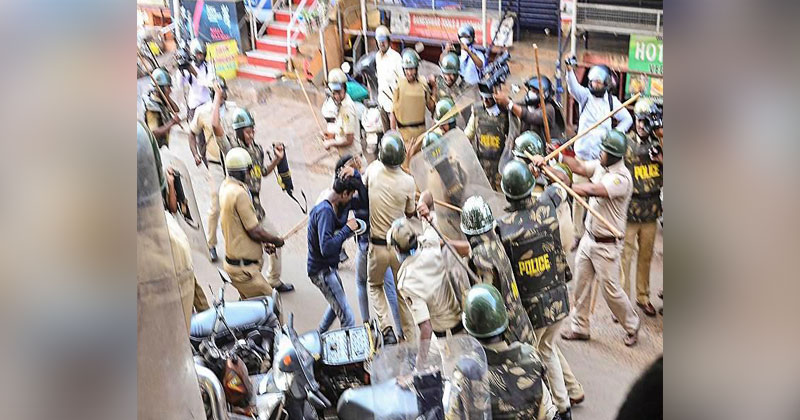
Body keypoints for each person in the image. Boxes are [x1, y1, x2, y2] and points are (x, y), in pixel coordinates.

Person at [496, 160, 583, 418]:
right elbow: (561, 187)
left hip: (532, 311)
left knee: (531, 361)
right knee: (548, 349)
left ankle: (549, 410)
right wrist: (541, 168)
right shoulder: (547, 207)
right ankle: (564, 405)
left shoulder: (504, 227)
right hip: (558, 298)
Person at [549, 130, 641, 346]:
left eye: (604, 150)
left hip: (607, 246)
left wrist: (567, 186)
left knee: (611, 292)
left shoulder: (621, 179)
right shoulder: (602, 166)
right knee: (580, 285)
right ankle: (580, 327)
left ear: (615, 155)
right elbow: (580, 167)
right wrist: (559, 156)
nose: (600, 153)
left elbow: (592, 189)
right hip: (589, 239)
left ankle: (632, 324)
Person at [460, 284, 559, 420]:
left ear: (469, 330)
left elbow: (452, 415)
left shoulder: (466, 372)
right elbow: (549, 413)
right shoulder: (531, 359)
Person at [452, 195, 537, 347]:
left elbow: (486, 298)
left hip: (507, 333)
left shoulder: (480, 259)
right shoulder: (495, 242)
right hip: (521, 322)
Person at [565, 60, 632, 249]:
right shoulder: (584, 96)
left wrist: (615, 134)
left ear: (606, 85)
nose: (595, 85)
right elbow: (572, 87)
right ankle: (577, 234)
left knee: (596, 198)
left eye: (598, 83)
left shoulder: (611, 102)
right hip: (581, 159)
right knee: (578, 199)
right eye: (593, 82)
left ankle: (592, 232)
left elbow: (626, 118)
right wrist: (569, 70)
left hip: (599, 161)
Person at [229, 107, 295, 293]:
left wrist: (277, 159)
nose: (251, 135)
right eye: (247, 132)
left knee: (275, 239)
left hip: (257, 206)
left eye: (252, 130)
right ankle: (252, 289)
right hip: (243, 206)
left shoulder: (256, 150)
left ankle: (273, 280)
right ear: (239, 132)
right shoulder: (234, 151)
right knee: (254, 253)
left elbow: (262, 172)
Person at [388, 207, 463, 362]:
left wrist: (419, 365)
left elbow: (426, 328)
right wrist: (423, 204)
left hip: (447, 335)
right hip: (462, 319)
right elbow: (428, 210)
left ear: (397, 248)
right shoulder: (430, 242)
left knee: (454, 376)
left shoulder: (407, 281)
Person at [364, 132, 418, 343]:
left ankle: (386, 325)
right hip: (399, 248)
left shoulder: (373, 170)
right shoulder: (408, 182)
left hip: (376, 246)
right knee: (402, 294)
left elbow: (364, 185)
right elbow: (410, 212)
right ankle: (411, 338)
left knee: (374, 285)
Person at [219, 148, 286, 298]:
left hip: (235, 266)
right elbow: (254, 231)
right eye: (248, 170)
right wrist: (276, 240)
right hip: (245, 271)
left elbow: (241, 229)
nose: (250, 174)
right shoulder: (240, 194)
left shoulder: (225, 187)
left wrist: (263, 244)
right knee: (272, 306)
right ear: (242, 171)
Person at [307, 165, 364, 332]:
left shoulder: (335, 203)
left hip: (328, 268)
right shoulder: (325, 211)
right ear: (344, 194)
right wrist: (347, 229)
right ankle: (347, 354)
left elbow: (363, 200)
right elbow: (326, 247)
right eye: (351, 194)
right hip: (321, 272)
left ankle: (318, 335)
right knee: (347, 317)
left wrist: (357, 176)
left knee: (336, 306)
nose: (352, 197)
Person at [621, 98, 663, 317]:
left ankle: (643, 297)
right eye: (638, 120)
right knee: (625, 257)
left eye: (644, 120)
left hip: (651, 209)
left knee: (645, 257)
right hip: (630, 209)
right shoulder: (625, 143)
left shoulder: (661, 145)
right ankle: (622, 302)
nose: (640, 124)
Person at [190, 77, 233, 261]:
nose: (221, 94)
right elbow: (192, 133)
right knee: (215, 206)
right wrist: (195, 154)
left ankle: (234, 246)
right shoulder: (202, 112)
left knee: (233, 206)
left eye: (222, 91)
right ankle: (211, 243)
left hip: (232, 165)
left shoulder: (234, 110)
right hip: (215, 164)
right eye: (218, 92)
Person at [464, 88, 511, 191]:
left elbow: (513, 136)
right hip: (481, 164)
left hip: (499, 166)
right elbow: (468, 134)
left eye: (488, 98)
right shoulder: (477, 111)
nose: (485, 100)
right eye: (483, 97)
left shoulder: (505, 114)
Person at [493, 75, 565, 142]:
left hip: (542, 149)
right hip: (524, 146)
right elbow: (508, 108)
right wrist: (500, 100)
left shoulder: (549, 109)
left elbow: (530, 116)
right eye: (530, 89)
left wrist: (509, 103)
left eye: (534, 91)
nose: (531, 93)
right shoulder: (526, 104)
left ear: (544, 94)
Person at [177, 39, 214, 164]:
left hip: (208, 105)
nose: (200, 57)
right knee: (200, 139)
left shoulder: (209, 67)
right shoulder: (189, 67)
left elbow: (207, 83)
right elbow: (180, 84)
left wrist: (194, 71)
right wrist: (181, 70)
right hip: (194, 107)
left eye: (202, 54)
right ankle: (204, 161)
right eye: (198, 54)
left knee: (212, 135)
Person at [390, 49, 431, 157]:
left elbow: (431, 107)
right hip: (404, 135)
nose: (409, 72)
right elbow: (393, 112)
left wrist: (434, 88)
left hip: (420, 134)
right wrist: (393, 133)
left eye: (412, 69)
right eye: (407, 69)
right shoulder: (399, 84)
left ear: (416, 69)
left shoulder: (423, 83)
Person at [322, 68, 364, 169]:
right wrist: (332, 135)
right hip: (345, 158)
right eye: (334, 93)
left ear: (344, 89)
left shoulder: (347, 109)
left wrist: (331, 143)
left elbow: (349, 139)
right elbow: (342, 131)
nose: (336, 96)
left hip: (352, 160)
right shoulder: (340, 105)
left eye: (338, 92)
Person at [142, 67, 181, 148]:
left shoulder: (161, 100)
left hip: (166, 143)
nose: (170, 90)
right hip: (157, 148)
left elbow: (176, 110)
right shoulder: (151, 106)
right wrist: (172, 122)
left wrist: (167, 97)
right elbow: (154, 133)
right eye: (168, 87)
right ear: (159, 88)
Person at [374, 25, 403, 131]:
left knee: (394, 134)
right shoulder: (377, 57)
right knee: (386, 134)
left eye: (383, 41)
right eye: (379, 41)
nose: (381, 43)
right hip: (382, 101)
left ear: (388, 41)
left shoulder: (396, 57)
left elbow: (402, 80)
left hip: (393, 104)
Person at [428, 52, 470, 119]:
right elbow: (431, 108)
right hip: (439, 122)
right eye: (446, 74)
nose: (448, 77)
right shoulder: (438, 81)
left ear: (457, 74)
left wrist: (453, 93)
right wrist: (434, 89)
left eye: (451, 74)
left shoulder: (464, 86)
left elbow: (463, 111)